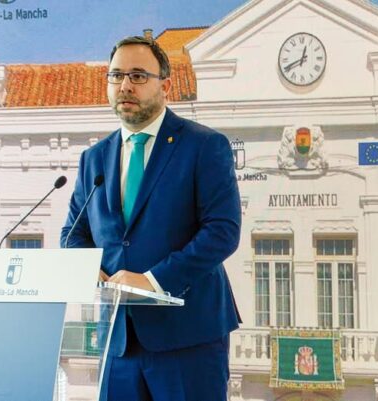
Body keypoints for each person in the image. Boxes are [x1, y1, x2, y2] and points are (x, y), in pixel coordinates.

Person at [61, 35, 242, 401]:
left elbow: (222, 232)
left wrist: (153, 281)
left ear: (166, 85)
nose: (125, 85)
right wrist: (87, 267)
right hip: (118, 341)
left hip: (188, 337)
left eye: (139, 75)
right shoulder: (94, 158)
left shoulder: (204, 146)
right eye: (116, 76)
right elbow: (72, 233)